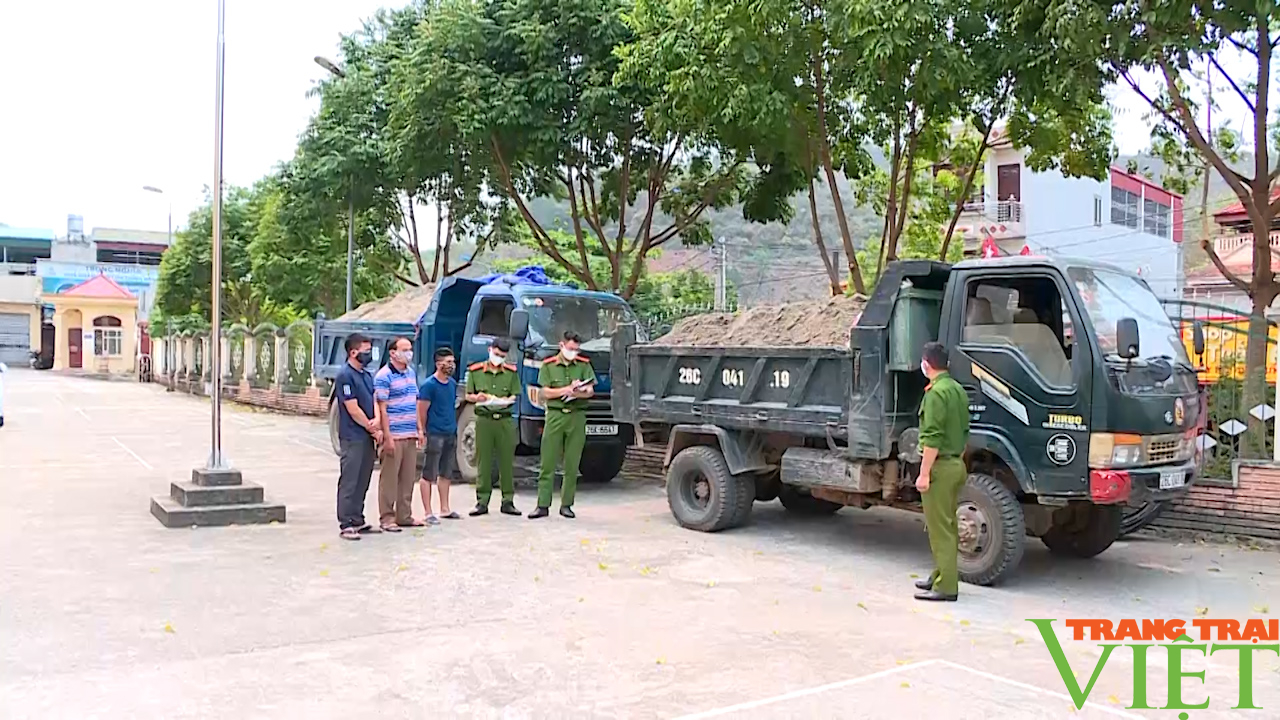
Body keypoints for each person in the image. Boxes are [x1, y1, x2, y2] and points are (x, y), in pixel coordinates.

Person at [913, 341, 970, 602]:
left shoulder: (936, 394)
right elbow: (965, 432)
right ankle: (940, 574)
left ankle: (947, 586)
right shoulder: (957, 389)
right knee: (946, 524)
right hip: (956, 464)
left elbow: (932, 438)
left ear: (927, 363)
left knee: (940, 529)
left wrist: (924, 474)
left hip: (941, 466)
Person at [530, 331, 594, 519]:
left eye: (576, 349)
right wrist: (565, 390)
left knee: (572, 464)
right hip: (556, 415)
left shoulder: (584, 365)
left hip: (577, 416)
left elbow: (590, 391)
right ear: (561, 345)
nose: (573, 352)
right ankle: (542, 505)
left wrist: (578, 391)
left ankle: (567, 504)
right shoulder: (549, 365)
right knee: (548, 462)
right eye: (570, 348)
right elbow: (544, 393)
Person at [465, 338, 522, 517]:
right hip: (484, 419)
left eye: (502, 356)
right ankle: (482, 501)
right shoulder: (475, 371)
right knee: (484, 461)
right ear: (490, 350)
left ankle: (508, 501)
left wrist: (505, 401)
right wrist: (478, 398)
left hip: (504, 420)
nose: (499, 358)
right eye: (496, 354)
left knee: (506, 461)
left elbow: (514, 395)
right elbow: (468, 396)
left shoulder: (511, 373)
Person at [335, 333, 383, 541]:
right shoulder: (345, 376)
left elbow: (373, 399)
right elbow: (352, 408)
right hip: (352, 435)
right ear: (353, 352)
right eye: (365, 351)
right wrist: (371, 427)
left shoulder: (366, 375)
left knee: (363, 478)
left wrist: (377, 420)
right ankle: (346, 522)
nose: (369, 354)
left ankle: (357, 518)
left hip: (366, 435)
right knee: (350, 479)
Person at [374, 337, 424, 532]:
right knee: (389, 478)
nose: (409, 353)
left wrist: (419, 429)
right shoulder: (383, 376)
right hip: (394, 434)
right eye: (404, 350)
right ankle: (387, 517)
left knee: (408, 477)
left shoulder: (411, 374)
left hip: (410, 433)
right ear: (393, 353)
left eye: (410, 349)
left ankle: (405, 515)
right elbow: (382, 408)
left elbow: (415, 402)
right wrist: (387, 437)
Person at [417, 347, 461, 523]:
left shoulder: (451, 384)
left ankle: (445, 508)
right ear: (438, 364)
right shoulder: (429, 385)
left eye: (453, 362)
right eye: (448, 362)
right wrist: (422, 430)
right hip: (435, 434)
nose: (451, 366)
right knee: (429, 473)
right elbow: (421, 410)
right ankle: (428, 512)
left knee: (446, 473)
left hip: (450, 432)